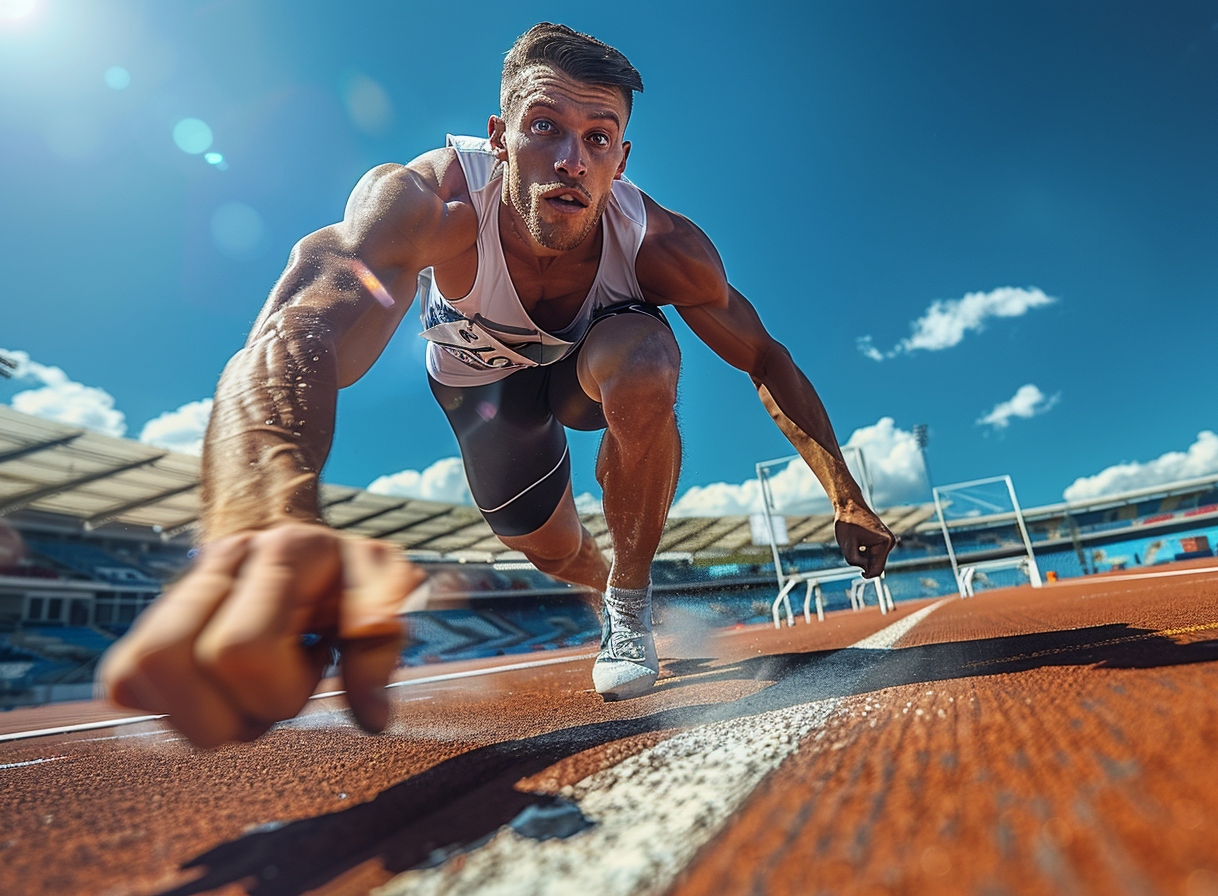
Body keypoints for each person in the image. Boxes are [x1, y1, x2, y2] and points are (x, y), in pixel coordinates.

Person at [100, 23, 896, 748]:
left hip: (593, 367)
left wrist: (846, 494)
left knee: (651, 356)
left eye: (598, 138)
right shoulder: (430, 202)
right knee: (549, 550)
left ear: (622, 159)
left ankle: (629, 603)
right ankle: (592, 577)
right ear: (501, 137)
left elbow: (766, 358)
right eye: (545, 128)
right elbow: (298, 326)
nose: (570, 160)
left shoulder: (663, 246)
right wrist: (259, 519)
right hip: (483, 396)